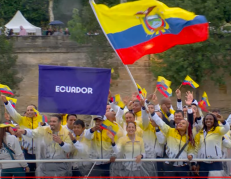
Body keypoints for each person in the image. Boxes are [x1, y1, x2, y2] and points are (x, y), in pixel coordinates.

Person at [1, 94, 46, 177]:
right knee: (28, 175)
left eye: (31, 110)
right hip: (27, 152)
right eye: (28, 110)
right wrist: (6, 102)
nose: (29, 112)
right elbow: (13, 112)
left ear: (36, 111)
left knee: (40, 174)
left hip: (40, 152)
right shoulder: (22, 120)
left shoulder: (41, 120)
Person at [151, 105, 195, 179]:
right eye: (179, 123)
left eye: (183, 123)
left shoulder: (189, 138)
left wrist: (191, 155)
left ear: (187, 127)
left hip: (183, 167)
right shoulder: (170, 131)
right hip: (169, 166)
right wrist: (153, 113)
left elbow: (191, 150)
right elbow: (160, 122)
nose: (180, 123)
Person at [193, 113, 230, 178]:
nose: (208, 120)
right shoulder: (202, 132)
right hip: (203, 162)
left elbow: (227, 128)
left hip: (215, 162)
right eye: (206, 119)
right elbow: (199, 148)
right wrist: (197, 162)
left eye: (211, 119)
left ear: (214, 121)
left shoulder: (218, 130)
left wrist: (223, 121)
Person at [141, 99, 166, 177]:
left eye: (159, 116)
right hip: (148, 157)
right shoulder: (146, 126)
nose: (156, 118)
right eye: (155, 116)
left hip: (158, 158)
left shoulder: (165, 128)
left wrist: (157, 128)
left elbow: (162, 141)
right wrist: (143, 108)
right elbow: (144, 119)